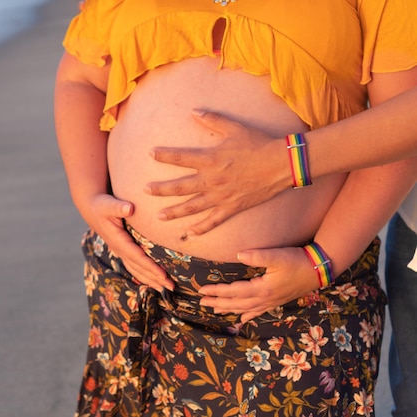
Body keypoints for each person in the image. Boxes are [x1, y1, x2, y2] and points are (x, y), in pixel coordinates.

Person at [54, 1, 417, 416]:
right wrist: (87, 196)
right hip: (139, 284)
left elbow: (404, 130)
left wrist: (320, 261)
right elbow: (81, 77)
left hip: (292, 301)